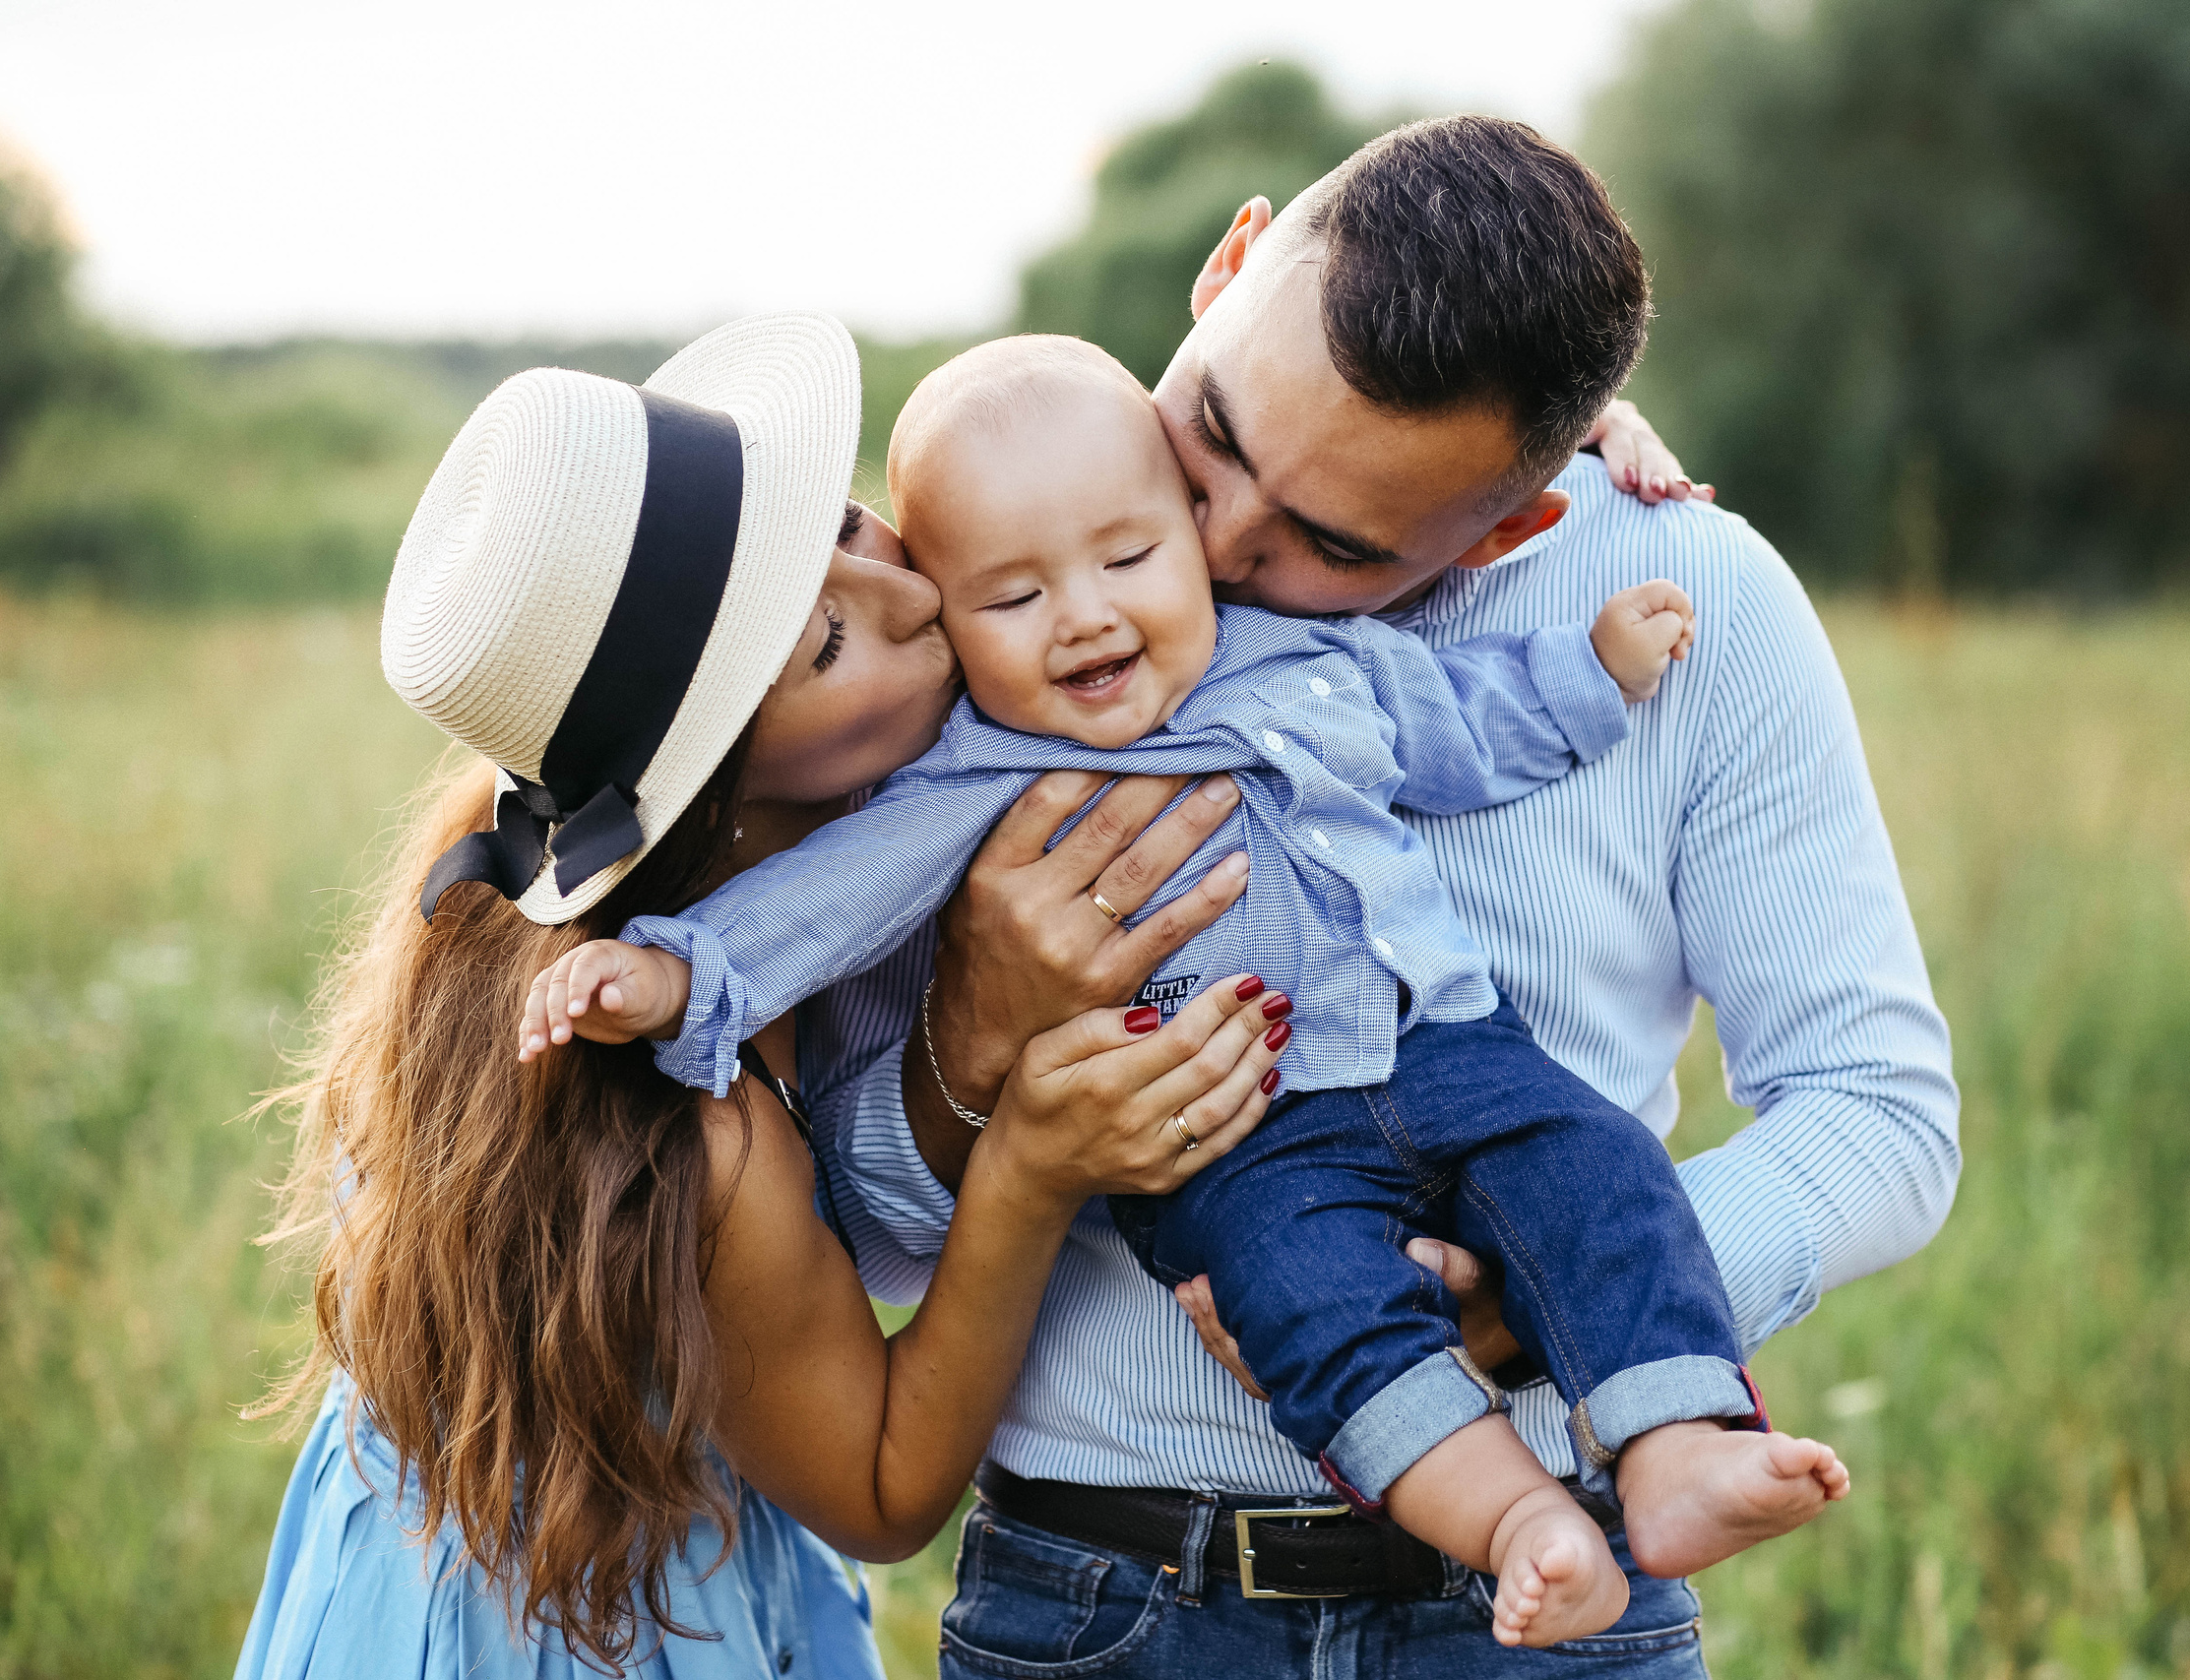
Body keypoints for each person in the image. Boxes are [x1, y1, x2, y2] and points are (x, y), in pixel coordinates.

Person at [726, 118, 1962, 1677]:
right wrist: (968, 1044)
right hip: (1105, 1603)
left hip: (1549, 1608)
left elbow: (1879, 1113)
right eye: (1219, 438)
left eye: (1330, 540)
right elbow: (864, 1238)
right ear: (1226, 267)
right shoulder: (1021, 586)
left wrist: (1536, 1290)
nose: (1219, 547)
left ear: (1513, 523)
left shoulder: (1695, 601)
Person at [527, 333, 1852, 1647]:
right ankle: (1514, 1524)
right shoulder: (966, 774)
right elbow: (826, 914)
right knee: (1303, 1301)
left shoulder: (1297, 650)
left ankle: (1677, 1445)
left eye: (1126, 561)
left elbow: (1458, 714)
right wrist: (674, 972)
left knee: (1603, 1166)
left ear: (1195, 527)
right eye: (1008, 595)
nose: (1088, 614)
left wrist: (1591, 641)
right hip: (1241, 1135)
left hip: (1449, 1043)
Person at [231, 313, 1294, 1680]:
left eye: (849, 529)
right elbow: (881, 1489)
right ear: (722, 794)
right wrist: (1030, 1162)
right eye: (833, 646)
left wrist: (1575, 449)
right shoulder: (689, 1119)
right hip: (591, 1632)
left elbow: (1091, 484)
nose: (922, 595)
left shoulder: (545, 924)